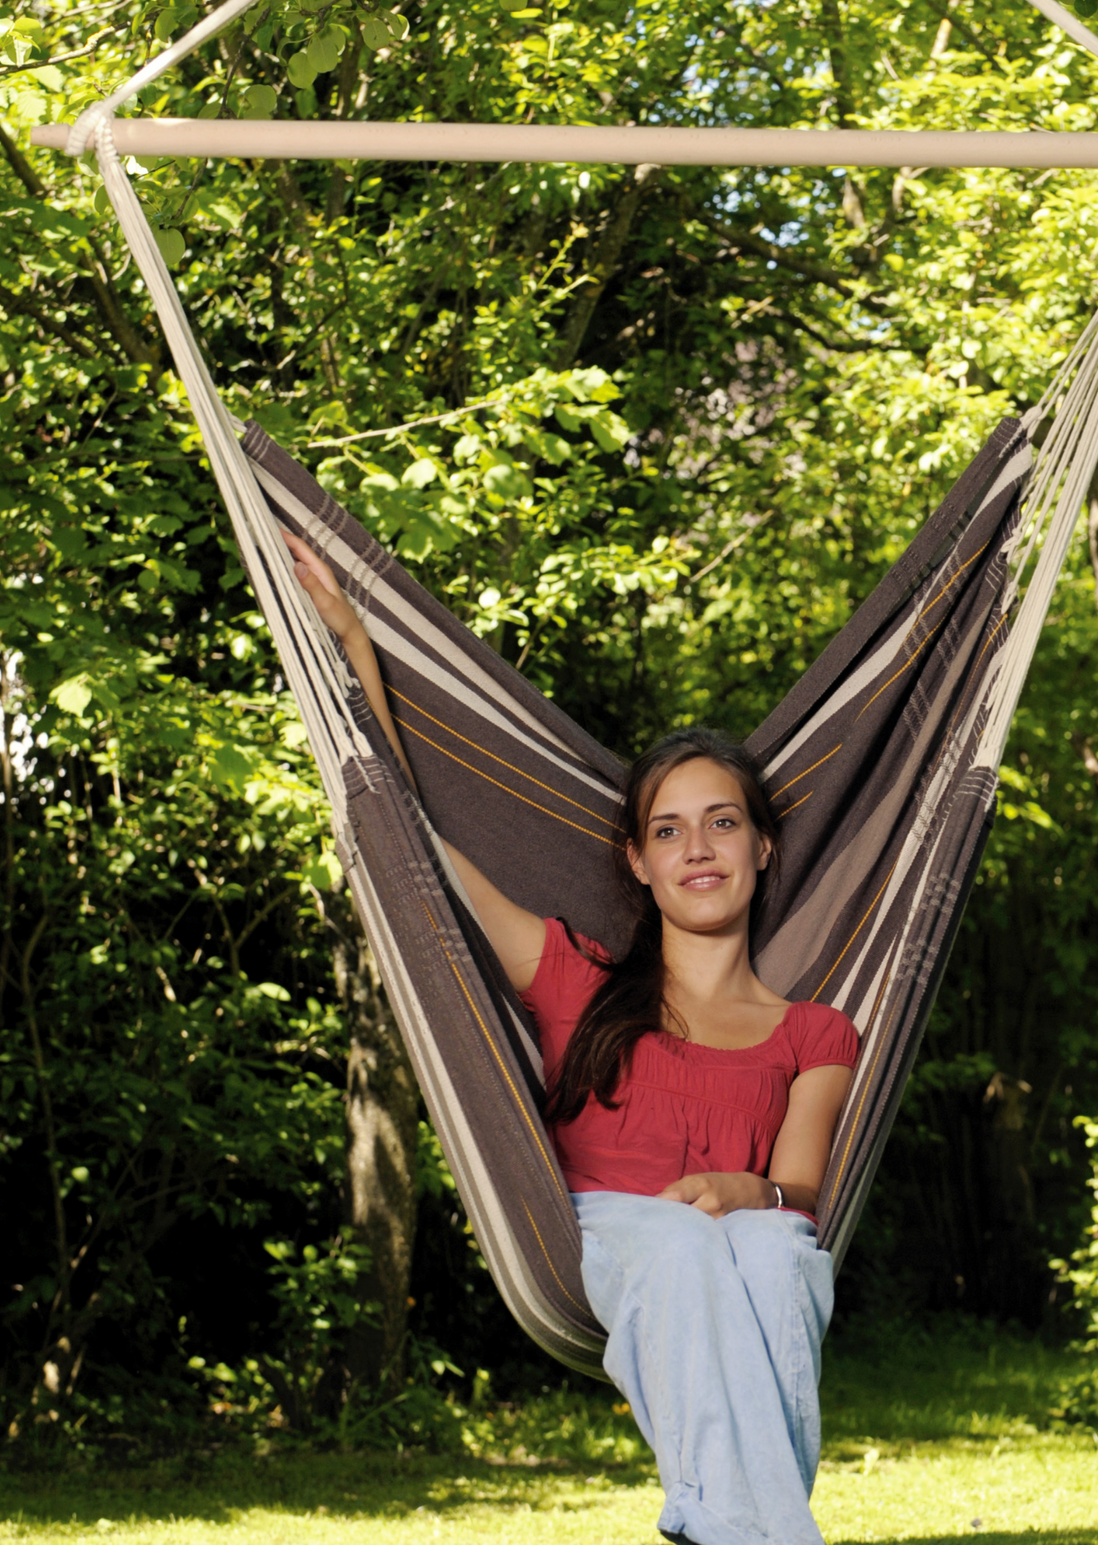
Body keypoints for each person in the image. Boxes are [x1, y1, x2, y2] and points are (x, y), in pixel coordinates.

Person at [283, 532, 858, 1545]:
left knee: (776, 1254)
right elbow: (414, 842)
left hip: (735, 1234)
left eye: (722, 823)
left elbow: (800, 1191)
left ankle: (714, 1523)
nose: (698, 848)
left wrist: (743, 1191)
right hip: (606, 1235)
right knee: (688, 1239)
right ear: (637, 862)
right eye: (669, 830)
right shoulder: (573, 976)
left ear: (763, 848)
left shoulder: (816, 1029)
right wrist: (352, 645)